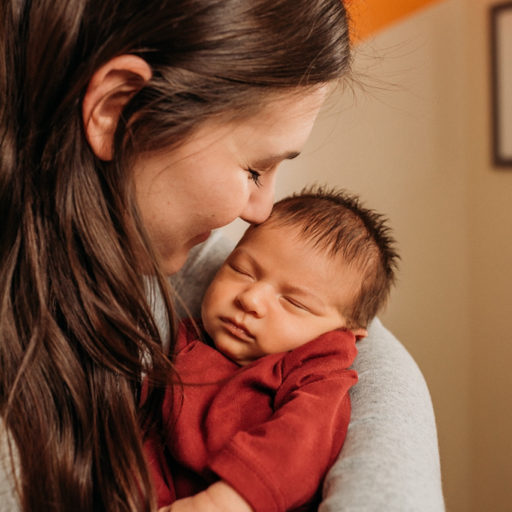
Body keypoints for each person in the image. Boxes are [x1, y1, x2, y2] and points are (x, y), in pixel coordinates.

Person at [0, 0, 445, 511]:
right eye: (255, 169)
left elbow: (354, 340)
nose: (259, 212)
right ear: (118, 109)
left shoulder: (163, 248)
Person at [148, 188, 399, 512]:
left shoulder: (315, 370)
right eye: (241, 271)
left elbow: (301, 443)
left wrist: (223, 502)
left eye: (293, 302)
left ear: (343, 333)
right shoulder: (180, 338)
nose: (250, 299)